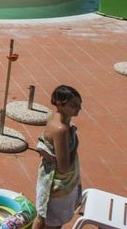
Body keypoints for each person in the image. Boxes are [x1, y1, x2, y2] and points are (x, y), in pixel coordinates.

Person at [33, 85, 83, 229]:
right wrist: (75, 143)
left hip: (49, 177)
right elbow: (64, 167)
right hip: (59, 185)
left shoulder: (53, 116)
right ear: (60, 104)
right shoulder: (61, 129)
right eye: (74, 105)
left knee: (42, 216)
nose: (79, 108)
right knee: (53, 222)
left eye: (79, 104)